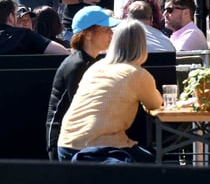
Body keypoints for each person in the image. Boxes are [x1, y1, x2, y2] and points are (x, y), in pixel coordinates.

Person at [57, 19, 162, 162]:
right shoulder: (138, 74)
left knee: (146, 159)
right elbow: (155, 104)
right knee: (150, 162)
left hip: (65, 147)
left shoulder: (96, 67)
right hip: (100, 148)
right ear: (142, 46)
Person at [46, 6, 120, 160]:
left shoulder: (91, 62)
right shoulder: (77, 65)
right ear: (87, 34)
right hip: (66, 144)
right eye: (106, 29)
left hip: (81, 140)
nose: (111, 34)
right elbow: (84, 111)